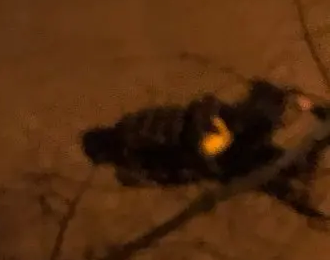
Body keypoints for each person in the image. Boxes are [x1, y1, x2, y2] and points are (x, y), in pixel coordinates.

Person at [81, 80, 330, 222]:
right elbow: (176, 170)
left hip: (211, 141)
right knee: (267, 167)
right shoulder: (132, 152)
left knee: (259, 135)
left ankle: (301, 111)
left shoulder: (132, 141)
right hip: (215, 150)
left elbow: (178, 139)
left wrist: (204, 147)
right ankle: (304, 186)